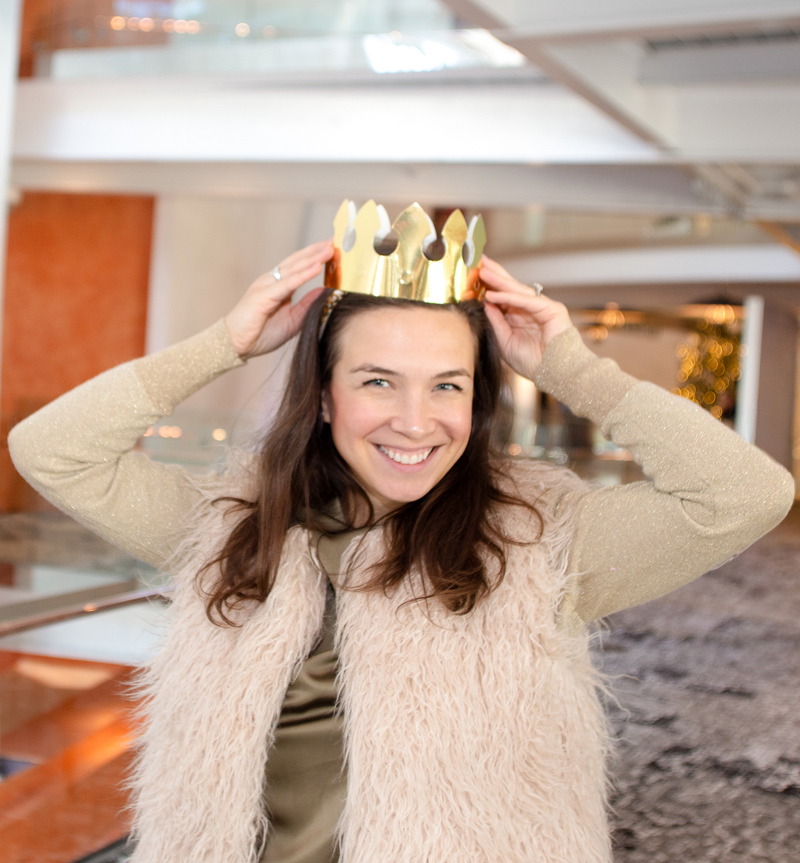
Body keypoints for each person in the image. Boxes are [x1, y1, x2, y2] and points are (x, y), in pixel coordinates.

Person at [8, 202, 795, 863]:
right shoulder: (231, 529)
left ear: (476, 401)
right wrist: (226, 343)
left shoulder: (540, 542)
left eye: (446, 385)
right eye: (378, 380)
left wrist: (574, 370)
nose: (415, 421)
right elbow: (52, 449)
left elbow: (745, 495)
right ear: (325, 397)